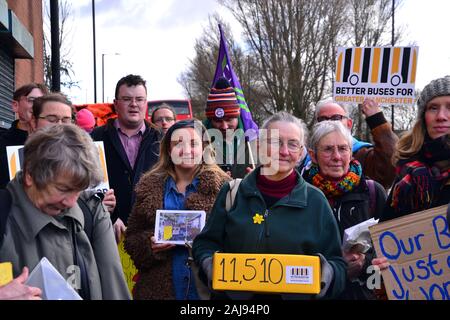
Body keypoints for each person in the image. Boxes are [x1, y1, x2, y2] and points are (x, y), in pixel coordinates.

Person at [193, 111, 346, 299]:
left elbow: (337, 262)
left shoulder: (316, 200)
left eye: (292, 144)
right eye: (275, 142)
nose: (284, 151)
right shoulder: (232, 193)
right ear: (259, 146)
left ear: (300, 153)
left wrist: (325, 275)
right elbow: (205, 244)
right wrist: (211, 266)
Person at [0, 124, 130, 300]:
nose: (71, 201)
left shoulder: (90, 210)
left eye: (78, 190)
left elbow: (114, 288)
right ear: (30, 175)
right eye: (63, 189)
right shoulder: (4, 216)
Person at [124, 119, 230, 300]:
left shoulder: (224, 187)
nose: (187, 150)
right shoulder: (149, 187)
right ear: (168, 150)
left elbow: (236, 238)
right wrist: (149, 245)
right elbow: (131, 239)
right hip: (158, 290)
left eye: (194, 144)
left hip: (207, 290)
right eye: (178, 144)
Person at [303, 120, 387, 300]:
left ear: (351, 153)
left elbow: (390, 251)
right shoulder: (299, 194)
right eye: (327, 149)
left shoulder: (372, 191)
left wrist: (365, 265)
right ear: (313, 155)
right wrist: (333, 266)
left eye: (343, 149)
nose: (336, 156)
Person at [91, 74, 162, 242]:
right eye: (126, 99)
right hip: (107, 230)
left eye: (139, 99)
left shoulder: (162, 139)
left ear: (146, 103)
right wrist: (111, 217)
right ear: (116, 104)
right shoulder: (95, 138)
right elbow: (88, 184)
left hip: (149, 233)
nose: (134, 105)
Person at [381, 75, 450, 221]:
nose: (441, 116)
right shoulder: (407, 170)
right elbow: (386, 235)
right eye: (433, 108)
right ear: (423, 117)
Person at [302, 97, 398, 190]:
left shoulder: (363, 154)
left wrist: (376, 119)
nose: (330, 123)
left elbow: (389, 170)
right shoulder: (303, 165)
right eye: (323, 119)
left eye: (336, 118)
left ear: (349, 124)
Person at [203, 77, 255, 178]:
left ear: (238, 116)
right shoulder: (197, 141)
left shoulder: (253, 138)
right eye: (218, 121)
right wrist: (214, 181)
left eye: (229, 119)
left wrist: (256, 180)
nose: (224, 126)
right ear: (210, 120)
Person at [0, 83, 48, 188]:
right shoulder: (3, 142)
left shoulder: (53, 142)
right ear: (15, 105)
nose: (37, 105)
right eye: (31, 100)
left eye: (42, 101)